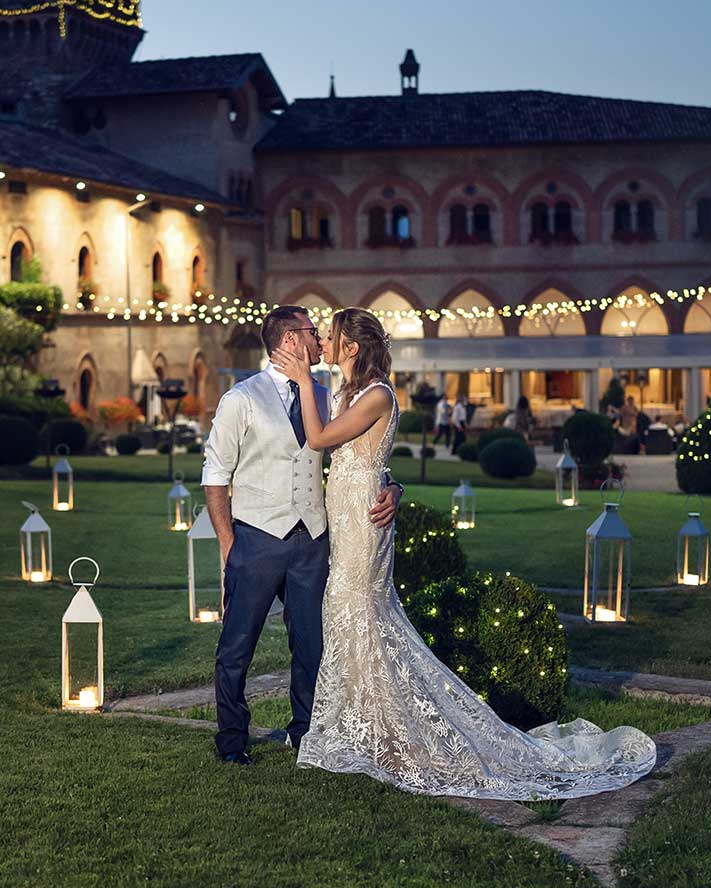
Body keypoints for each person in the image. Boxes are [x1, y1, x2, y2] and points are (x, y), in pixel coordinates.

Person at [271, 308, 656, 800]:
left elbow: (321, 440)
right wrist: (396, 485)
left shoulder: (376, 393)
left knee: (361, 615)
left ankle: (399, 737)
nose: (323, 339)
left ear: (351, 347)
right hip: (351, 516)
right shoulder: (350, 392)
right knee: (352, 619)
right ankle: (373, 729)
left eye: (332, 334)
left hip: (364, 526)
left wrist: (304, 379)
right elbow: (366, 458)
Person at [200, 306, 403, 765]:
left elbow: (363, 451)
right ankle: (232, 740)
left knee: (311, 644)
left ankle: (306, 732)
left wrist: (393, 487)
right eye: (314, 333)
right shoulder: (241, 398)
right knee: (237, 645)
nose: (320, 340)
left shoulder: (330, 395)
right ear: (291, 340)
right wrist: (229, 541)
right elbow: (215, 473)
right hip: (256, 539)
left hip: (314, 540)